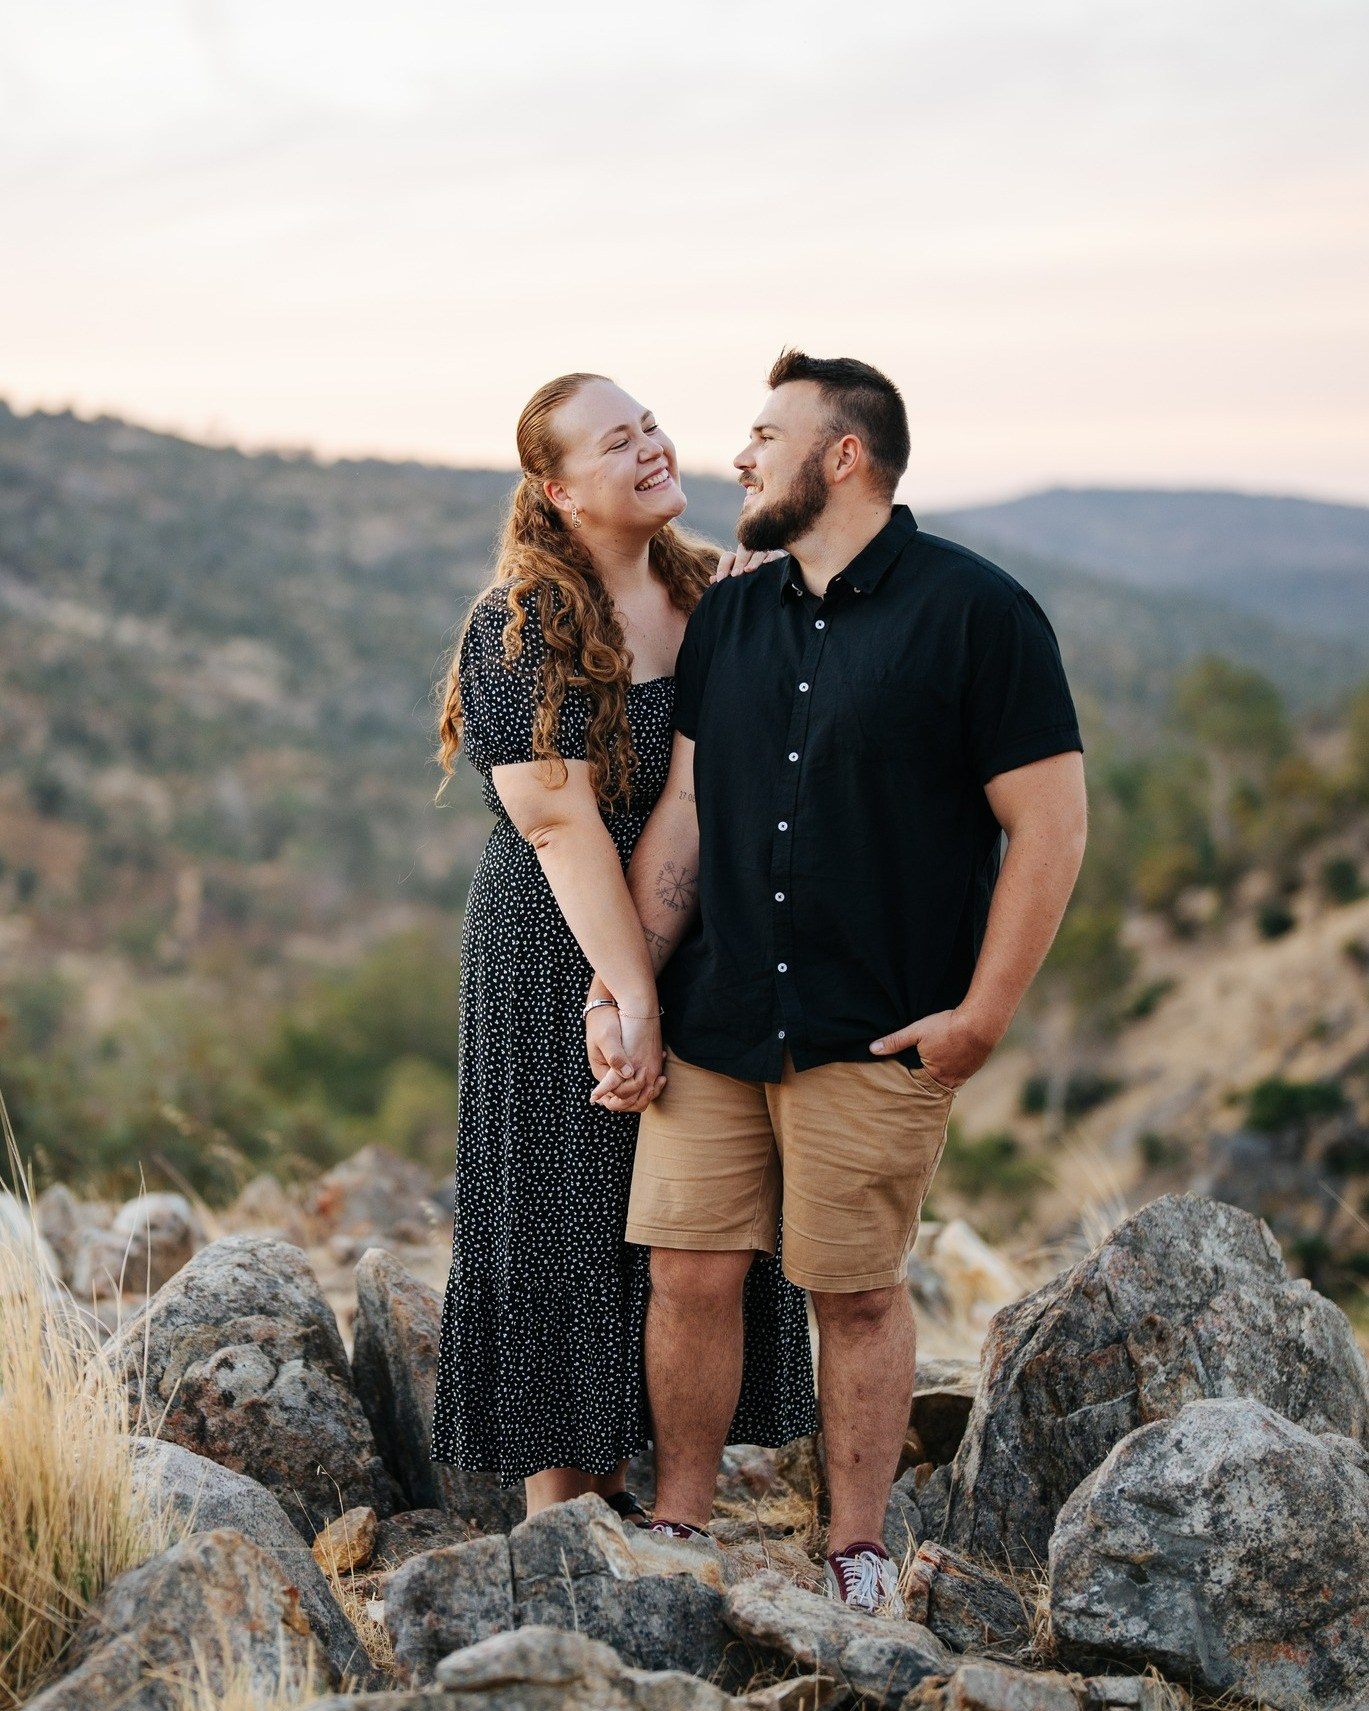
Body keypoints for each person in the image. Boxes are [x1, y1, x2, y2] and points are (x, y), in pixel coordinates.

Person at [586, 350, 1088, 1606]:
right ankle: (684, 1523)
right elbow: (690, 812)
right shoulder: (737, 615)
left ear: (842, 455)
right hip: (716, 1020)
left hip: (875, 1030)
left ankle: (856, 1548)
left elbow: (1051, 826)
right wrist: (630, 984)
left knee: (854, 1294)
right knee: (687, 1273)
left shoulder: (979, 614)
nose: (739, 457)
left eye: (765, 434)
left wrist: (981, 1018)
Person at [429, 372, 817, 1522]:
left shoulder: (710, 593)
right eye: (617, 441)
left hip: (692, 947)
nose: (651, 447)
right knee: (562, 1212)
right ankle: (566, 1526)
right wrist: (625, 992)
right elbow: (558, 824)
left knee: (678, 1226)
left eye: (649, 425)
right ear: (556, 492)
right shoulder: (520, 621)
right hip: (551, 953)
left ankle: (661, 1497)